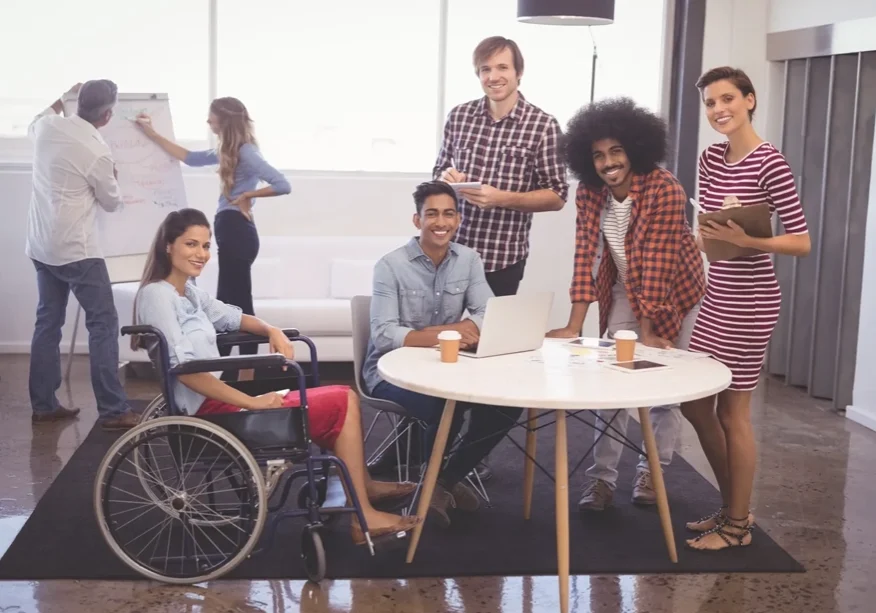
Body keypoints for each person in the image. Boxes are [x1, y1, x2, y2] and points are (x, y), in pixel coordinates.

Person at [132, 208, 420, 545]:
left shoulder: (191, 294)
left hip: (222, 402)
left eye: (206, 246)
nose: (201, 254)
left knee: (343, 397)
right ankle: (363, 516)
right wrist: (253, 402)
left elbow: (234, 318)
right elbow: (184, 372)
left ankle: (362, 489)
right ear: (169, 246)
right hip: (209, 413)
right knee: (342, 399)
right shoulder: (157, 295)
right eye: (191, 244)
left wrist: (273, 330)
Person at [547, 97, 707, 512]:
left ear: (635, 149)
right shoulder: (589, 193)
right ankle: (601, 480)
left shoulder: (664, 188)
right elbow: (586, 255)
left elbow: (658, 264)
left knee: (664, 388)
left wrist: (652, 331)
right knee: (611, 384)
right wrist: (573, 325)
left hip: (676, 293)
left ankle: (651, 472)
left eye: (616, 151)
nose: (608, 162)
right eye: (598, 155)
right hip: (624, 289)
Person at [681, 67, 810, 551]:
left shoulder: (770, 163)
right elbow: (709, 225)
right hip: (719, 294)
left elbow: (800, 241)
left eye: (728, 99)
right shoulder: (711, 158)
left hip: (753, 301)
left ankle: (736, 526)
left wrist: (747, 239)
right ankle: (733, 502)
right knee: (694, 402)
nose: (719, 110)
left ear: (750, 100)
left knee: (733, 411)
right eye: (711, 103)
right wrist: (708, 238)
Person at [429, 35, 569, 480]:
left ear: (518, 72)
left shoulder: (542, 125)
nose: (494, 77)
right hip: (451, 259)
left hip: (503, 261)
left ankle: (472, 456)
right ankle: (437, 450)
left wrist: (503, 198)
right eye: (485, 70)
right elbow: (437, 173)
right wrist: (448, 179)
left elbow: (557, 196)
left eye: (502, 68)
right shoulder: (460, 116)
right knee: (448, 355)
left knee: (489, 360)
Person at [361, 181, 523, 528]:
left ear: (459, 219)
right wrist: (451, 331)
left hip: (450, 369)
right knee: (441, 404)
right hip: (390, 374)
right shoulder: (390, 266)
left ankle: (444, 481)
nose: (441, 222)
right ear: (417, 219)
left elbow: (487, 312)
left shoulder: (468, 260)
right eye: (432, 214)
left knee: (506, 405)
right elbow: (385, 335)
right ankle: (434, 485)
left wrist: (470, 326)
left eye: (449, 213)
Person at [134, 97, 291, 381]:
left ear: (225, 120)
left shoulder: (246, 151)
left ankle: (244, 376)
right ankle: (222, 372)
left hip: (236, 228)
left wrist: (247, 196)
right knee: (227, 302)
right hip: (229, 227)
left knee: (239, 302)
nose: (208, 122)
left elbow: (283, 184)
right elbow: (190, 158)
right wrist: (152, 134)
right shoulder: (227, 150)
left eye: (212, 118)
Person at [26, 79, 139, 430]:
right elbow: (111, 202)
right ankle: (113, 410)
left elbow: (42, 115)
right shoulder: (97, 151)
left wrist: (62, 97)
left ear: (78, 103)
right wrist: (114, 178)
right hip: (78, 251)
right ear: (107, 116)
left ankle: (44, 404)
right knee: (103, 324)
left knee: (48, 322)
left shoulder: (46, 128)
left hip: (42, 245)